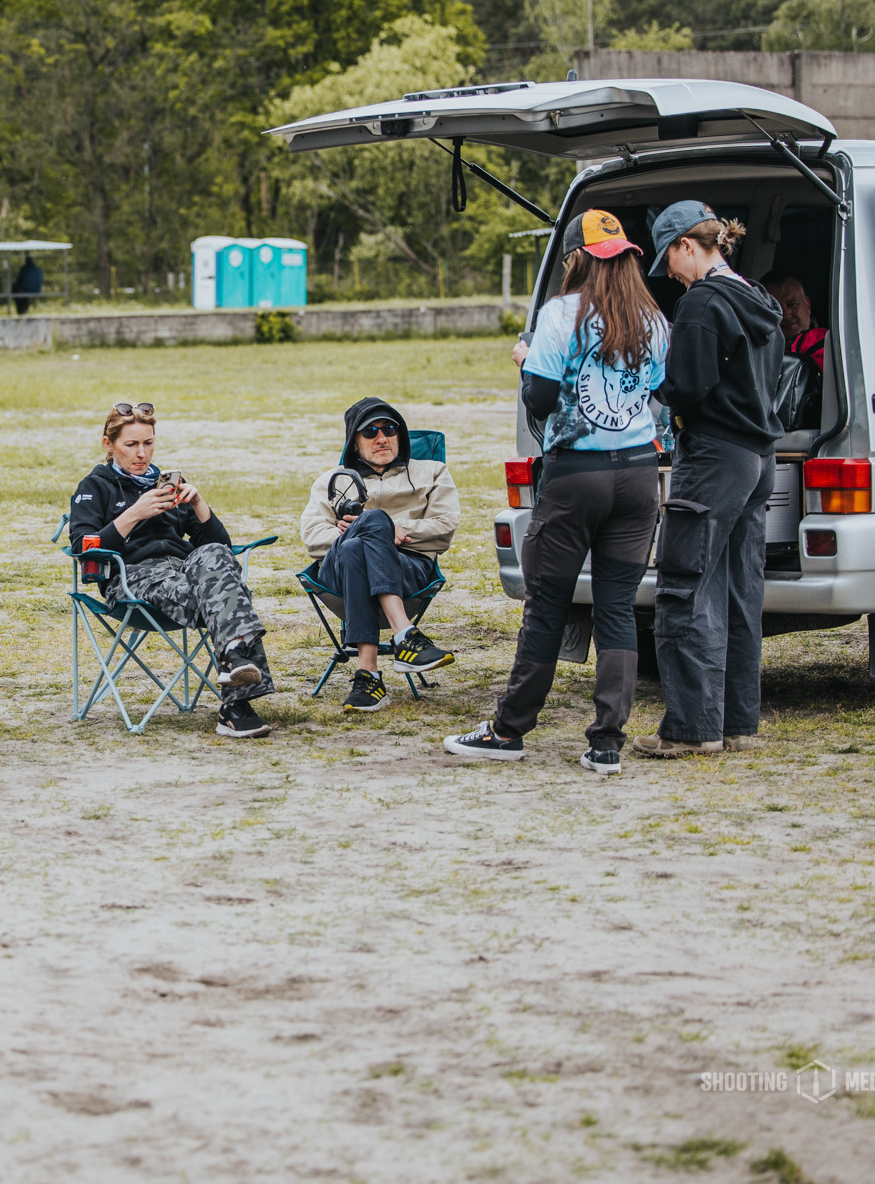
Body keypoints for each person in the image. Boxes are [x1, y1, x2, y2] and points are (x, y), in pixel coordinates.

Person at [444, 210, 669, 775]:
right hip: (639, 474)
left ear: (576, 257)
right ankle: (607, 742)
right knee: (619, 607)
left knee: (547, 605)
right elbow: (658, 391)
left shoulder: (562, 313)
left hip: (576, 476)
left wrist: (527, 366)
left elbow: (541, 400)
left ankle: (509, 730)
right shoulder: (653, 317)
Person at [636, 200, 783, 758]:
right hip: (758, 456)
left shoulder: (701, 304)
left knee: (685, 585)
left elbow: (687, 386)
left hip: (715, 455)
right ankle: (738, 723)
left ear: (687, 246)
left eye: (668, 260)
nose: (668, 274)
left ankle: (693, 728)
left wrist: (654, 386)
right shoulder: (758, 297)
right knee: (739, 591)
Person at [68, 402, 278, 738]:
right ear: (108, 445)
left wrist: (198, 504)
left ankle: (235, 657)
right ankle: (236, 702)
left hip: (185, 571)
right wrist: (134, 513)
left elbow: (220, 547)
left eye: (148, 443)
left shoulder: (166, 484)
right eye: (131, 444)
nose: (141, 454)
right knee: (225, 595)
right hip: (131, 578)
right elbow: (83, 547)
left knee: (212, 556)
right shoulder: (95, 486)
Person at [299, 398, 458, 712]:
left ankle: (368, 676)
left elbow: (445, 526)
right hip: (338, 576)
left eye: (389, 429)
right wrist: (362, 528)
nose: (382, 437)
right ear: (354, 444)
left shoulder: (433, 472)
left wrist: (390, 527)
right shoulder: (334, 481)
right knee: (366, 529)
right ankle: (405, 636)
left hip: (409, 569)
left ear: (400, 435)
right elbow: (312, 537)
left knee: (365, 536)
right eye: (370, 431)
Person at [763, 274, 827, 369]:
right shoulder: (756, 355)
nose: (786, 315)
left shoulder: (831, 345)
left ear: (807, 305)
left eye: (792, 304)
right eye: (776, 309)